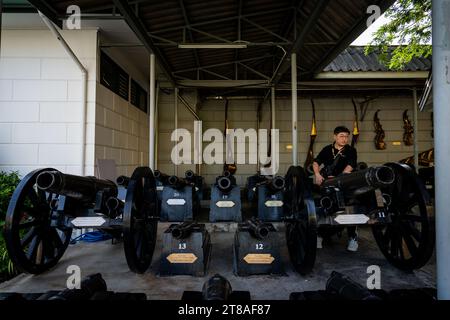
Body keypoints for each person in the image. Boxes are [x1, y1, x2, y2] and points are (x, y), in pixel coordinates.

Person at [312, 126, 359, 252]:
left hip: (343, 183)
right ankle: (320, 234)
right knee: (324, 207)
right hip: (326, 183)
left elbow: (351, 165)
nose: (344, 139)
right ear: (335, 136)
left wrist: (340, 178)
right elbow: (316, 162)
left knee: (350, 209)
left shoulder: (350, 150)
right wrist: (317, 174)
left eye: (346, 136)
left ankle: (352, 237)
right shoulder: (327, 149)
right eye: (341, 136)